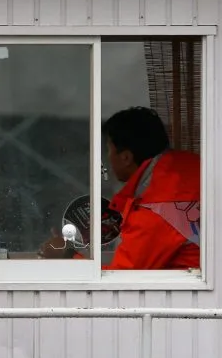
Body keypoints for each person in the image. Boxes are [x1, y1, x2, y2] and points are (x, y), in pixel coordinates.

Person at [39, 106, 200, 269]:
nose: (107, 158)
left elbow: (120, 282)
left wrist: (66, 256)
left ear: (126, 158)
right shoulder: (190, 167)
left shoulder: (156, 208)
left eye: (109, 150)